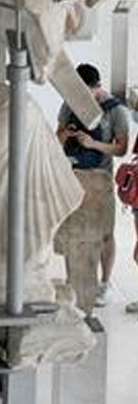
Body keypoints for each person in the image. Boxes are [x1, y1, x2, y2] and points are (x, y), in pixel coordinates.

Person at [56, 64, 129, 307]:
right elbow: (57, 139)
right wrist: (66, 135)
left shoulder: (115, 111)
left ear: (97, 86)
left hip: (100, 176)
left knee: (105, 234)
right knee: (72, 232)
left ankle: (104, 283)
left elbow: (121, 148)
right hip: (73, 175)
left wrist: (92, 144)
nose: (83, 99)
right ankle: (72, 281)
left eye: (87, 93)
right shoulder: (70, 105)